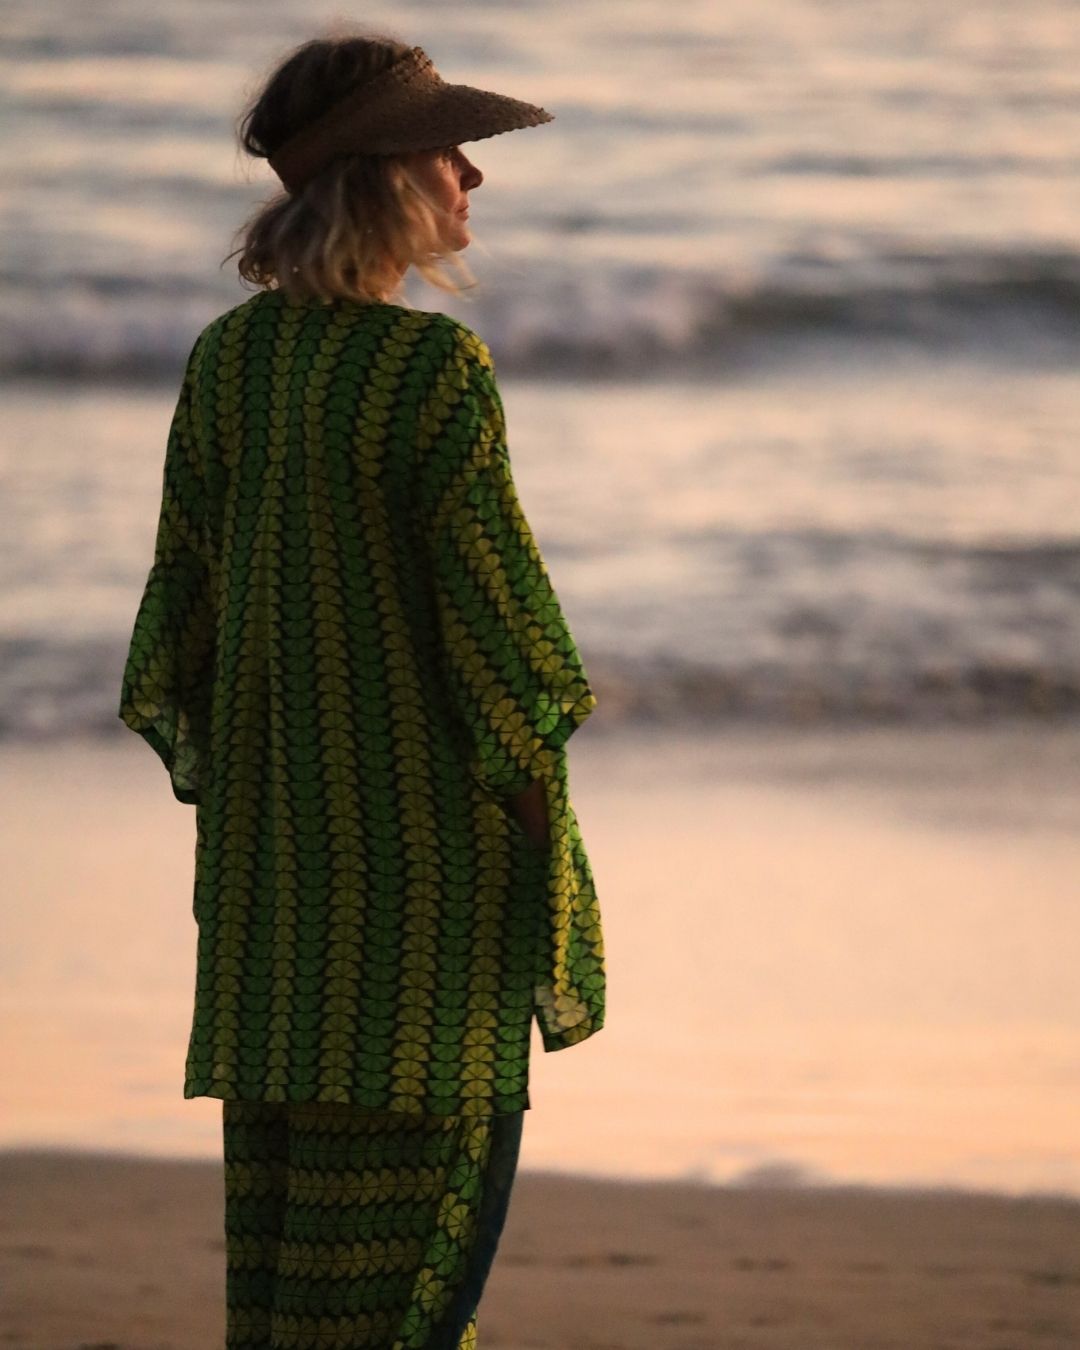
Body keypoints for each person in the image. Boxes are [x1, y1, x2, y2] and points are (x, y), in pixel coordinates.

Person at [116, 29, 605, 1350]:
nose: (471, 175)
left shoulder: (229, 364)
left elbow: (177, 638)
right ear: (384, 176)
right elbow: (505, 657)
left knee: (292, 1305)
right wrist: (548, 875)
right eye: (448, 149)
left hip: (275, 933)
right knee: (406, 1304)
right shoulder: (433, 374)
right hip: (421, 934)